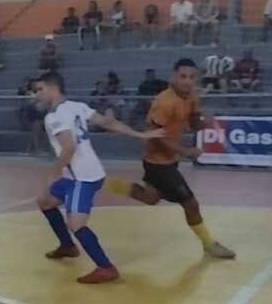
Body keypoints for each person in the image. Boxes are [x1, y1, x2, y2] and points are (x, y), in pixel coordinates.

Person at [33, 71, 164, 284]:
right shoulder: (77, 106)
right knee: (45, 201)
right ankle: (68, 246)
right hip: (87, 171)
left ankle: (106, 267)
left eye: (39, 89)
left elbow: (69, 147)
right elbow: (109, 123)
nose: (36, 94)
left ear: (53, 88)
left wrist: (53, 173)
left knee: (77, 224)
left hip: (80, 178)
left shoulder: (54, 116)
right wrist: (141, 135)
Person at [105, 59, 236, 260]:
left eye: (192, 77)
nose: (187, 81)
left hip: (169, 159)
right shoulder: (164, 102)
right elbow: (157, 136)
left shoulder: (192, 96)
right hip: (157, 162)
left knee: (151, 197)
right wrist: (185, 151)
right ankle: (209, 244)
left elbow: (192, 123)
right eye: (183, 76)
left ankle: (106, 184)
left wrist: (205, 123)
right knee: (190, 203)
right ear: (173, 77)